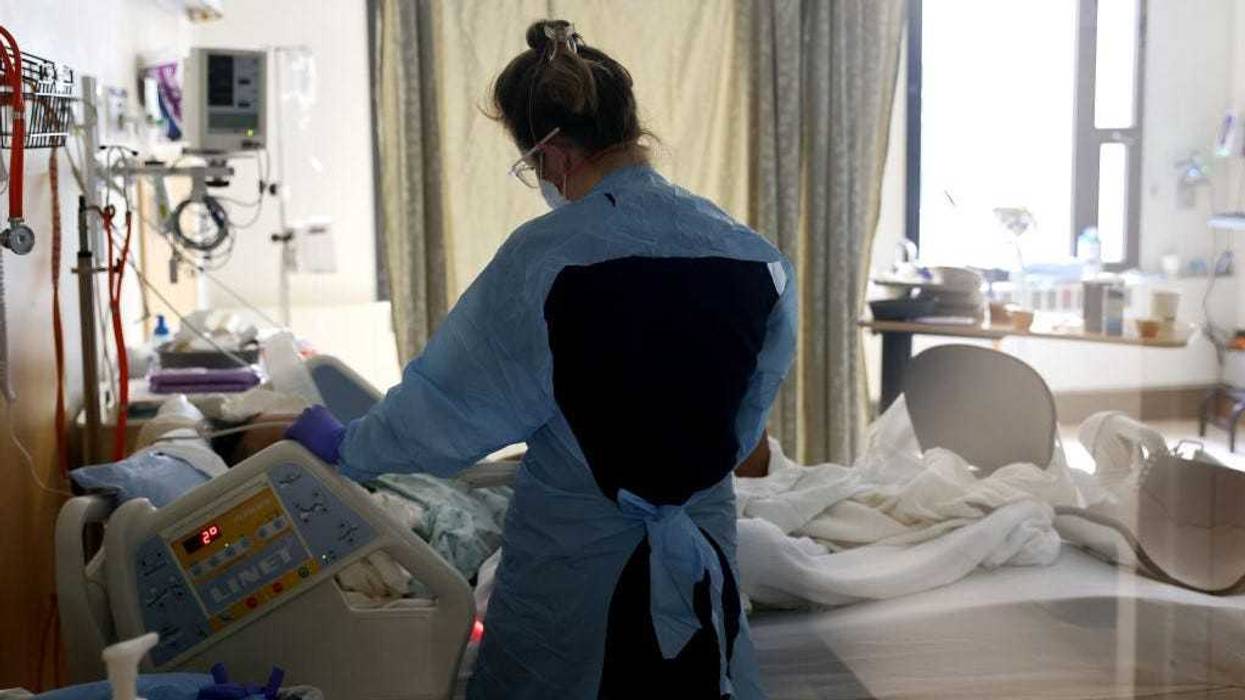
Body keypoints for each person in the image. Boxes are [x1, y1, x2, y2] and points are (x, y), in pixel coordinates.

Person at [285, 19, 794, 699]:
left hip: (579, 567)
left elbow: (449, 409)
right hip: (701, 551)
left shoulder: (547, 261)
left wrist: (347, 447)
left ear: (551, 154)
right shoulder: (755, 257)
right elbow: (743, 419)